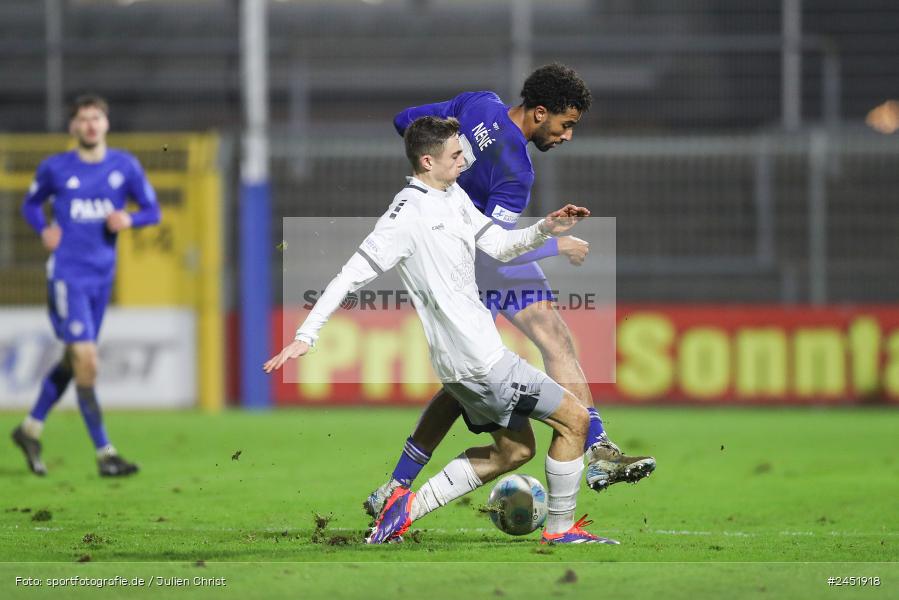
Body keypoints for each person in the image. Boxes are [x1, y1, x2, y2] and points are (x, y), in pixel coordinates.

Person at [266, 116, 615, 544]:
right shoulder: (405, 216)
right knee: (576, 422)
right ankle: (559, 531)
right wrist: (306, 335)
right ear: (427, 161)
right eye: (455, 155)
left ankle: (401, 510)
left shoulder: (453, 196)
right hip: (484, 362)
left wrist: (546, 228)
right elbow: (348, 277)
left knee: (515, 451)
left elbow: (500, 245)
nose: (465, 160)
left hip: (458, 369)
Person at [364, 64, 654, 518]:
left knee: (552, 336)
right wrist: (553, 244)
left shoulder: (478, 103)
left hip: (471, 249)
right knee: (466, 384)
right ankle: (397, 486)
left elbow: (407, 121)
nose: (567, 136)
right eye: (566, 124)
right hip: (469, 262)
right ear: (540, 113)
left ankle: (596, 449)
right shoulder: (517, 171)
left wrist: (437, 181)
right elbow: (494, 250)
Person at [11, 94, 160, 477]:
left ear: (106, 124)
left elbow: (152, 210)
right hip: (67, 277)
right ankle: (105, 454)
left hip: (101, 280)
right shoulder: (56, 168)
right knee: (88, 360)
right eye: (83, 119)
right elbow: (30, 205)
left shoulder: (124, 166)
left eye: (96, 118)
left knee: (74, 360)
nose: (91, 125)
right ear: (73, 127)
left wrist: (130, 220)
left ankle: (29, 429)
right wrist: (43, 230)